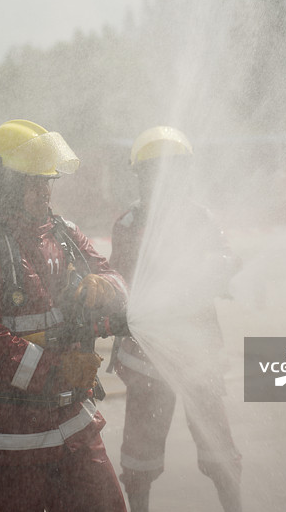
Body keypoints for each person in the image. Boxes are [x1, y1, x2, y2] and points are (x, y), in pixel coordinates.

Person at [0, 119, 129, 511]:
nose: (46, 191)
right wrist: (56, 370)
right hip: (14, 435)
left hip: (72, 421)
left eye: (48, 181)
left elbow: (114, 277)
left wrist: (107, 288)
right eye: (36, 182)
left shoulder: (64, 233)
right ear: (7, 184)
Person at [109, 126, 242, 512]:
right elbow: (119, 280)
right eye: (156, 172)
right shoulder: (130, 225)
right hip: (147, 357)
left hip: (198, 356)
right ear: (140, 176)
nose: (165, 180)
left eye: (173, 171)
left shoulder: (199, 219)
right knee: (139, 459)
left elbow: (223, 256)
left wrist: (217, 268)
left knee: (219, 450)